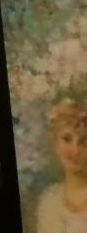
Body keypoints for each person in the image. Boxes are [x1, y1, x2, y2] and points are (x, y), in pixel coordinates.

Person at [36, 99, 87, 233]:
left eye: (83, 141)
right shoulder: (48, 202)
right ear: (55, 143)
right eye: (67, 139)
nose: (75, 150)